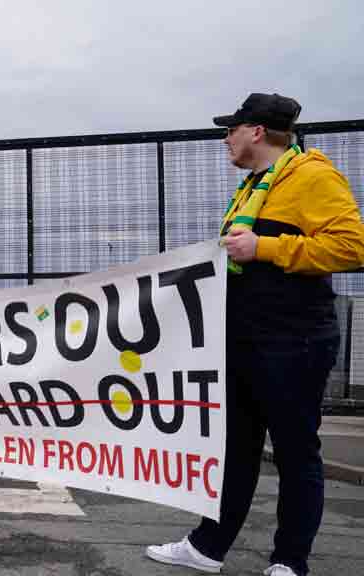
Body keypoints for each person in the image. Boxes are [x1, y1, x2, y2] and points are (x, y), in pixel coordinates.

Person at [146, 93, 364, 576]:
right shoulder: (254, 186)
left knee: (295, 451)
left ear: (257, 132)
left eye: (231, 129)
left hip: (294, 340)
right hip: (245, 338)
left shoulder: (312, 176)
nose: (226, 138)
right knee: (236, 450)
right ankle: (207, 546)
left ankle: (290, 560)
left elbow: (351, 247)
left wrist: (264, 246)